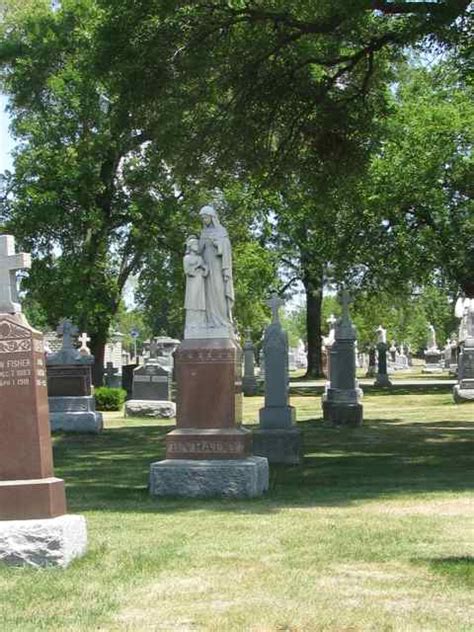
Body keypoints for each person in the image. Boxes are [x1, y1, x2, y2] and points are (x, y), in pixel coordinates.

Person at [198, 205, 235, 330]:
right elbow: (198, 250)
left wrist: (218, 244)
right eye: (202, 218)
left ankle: (222, 320)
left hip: (218, 266)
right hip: (207, 267)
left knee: (219, 291)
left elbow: (226, 248)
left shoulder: (221, 231)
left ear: (212, 217)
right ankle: (210, 320)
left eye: (205, 218)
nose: (204, 220)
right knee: (208, 294)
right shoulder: (203, 232)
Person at [183, 235, 208, 330]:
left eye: (198, 244)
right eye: (195, 244)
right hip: (192, 283)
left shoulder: (200, 258)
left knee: (200, 302)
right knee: (192, 301)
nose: (197, 245)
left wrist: (206, 269)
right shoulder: (187, 258)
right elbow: (187, 271)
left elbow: (205, 271)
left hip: (200, 281)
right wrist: (197, 266)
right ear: (190, 245)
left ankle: (201, 322)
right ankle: (191, 323)